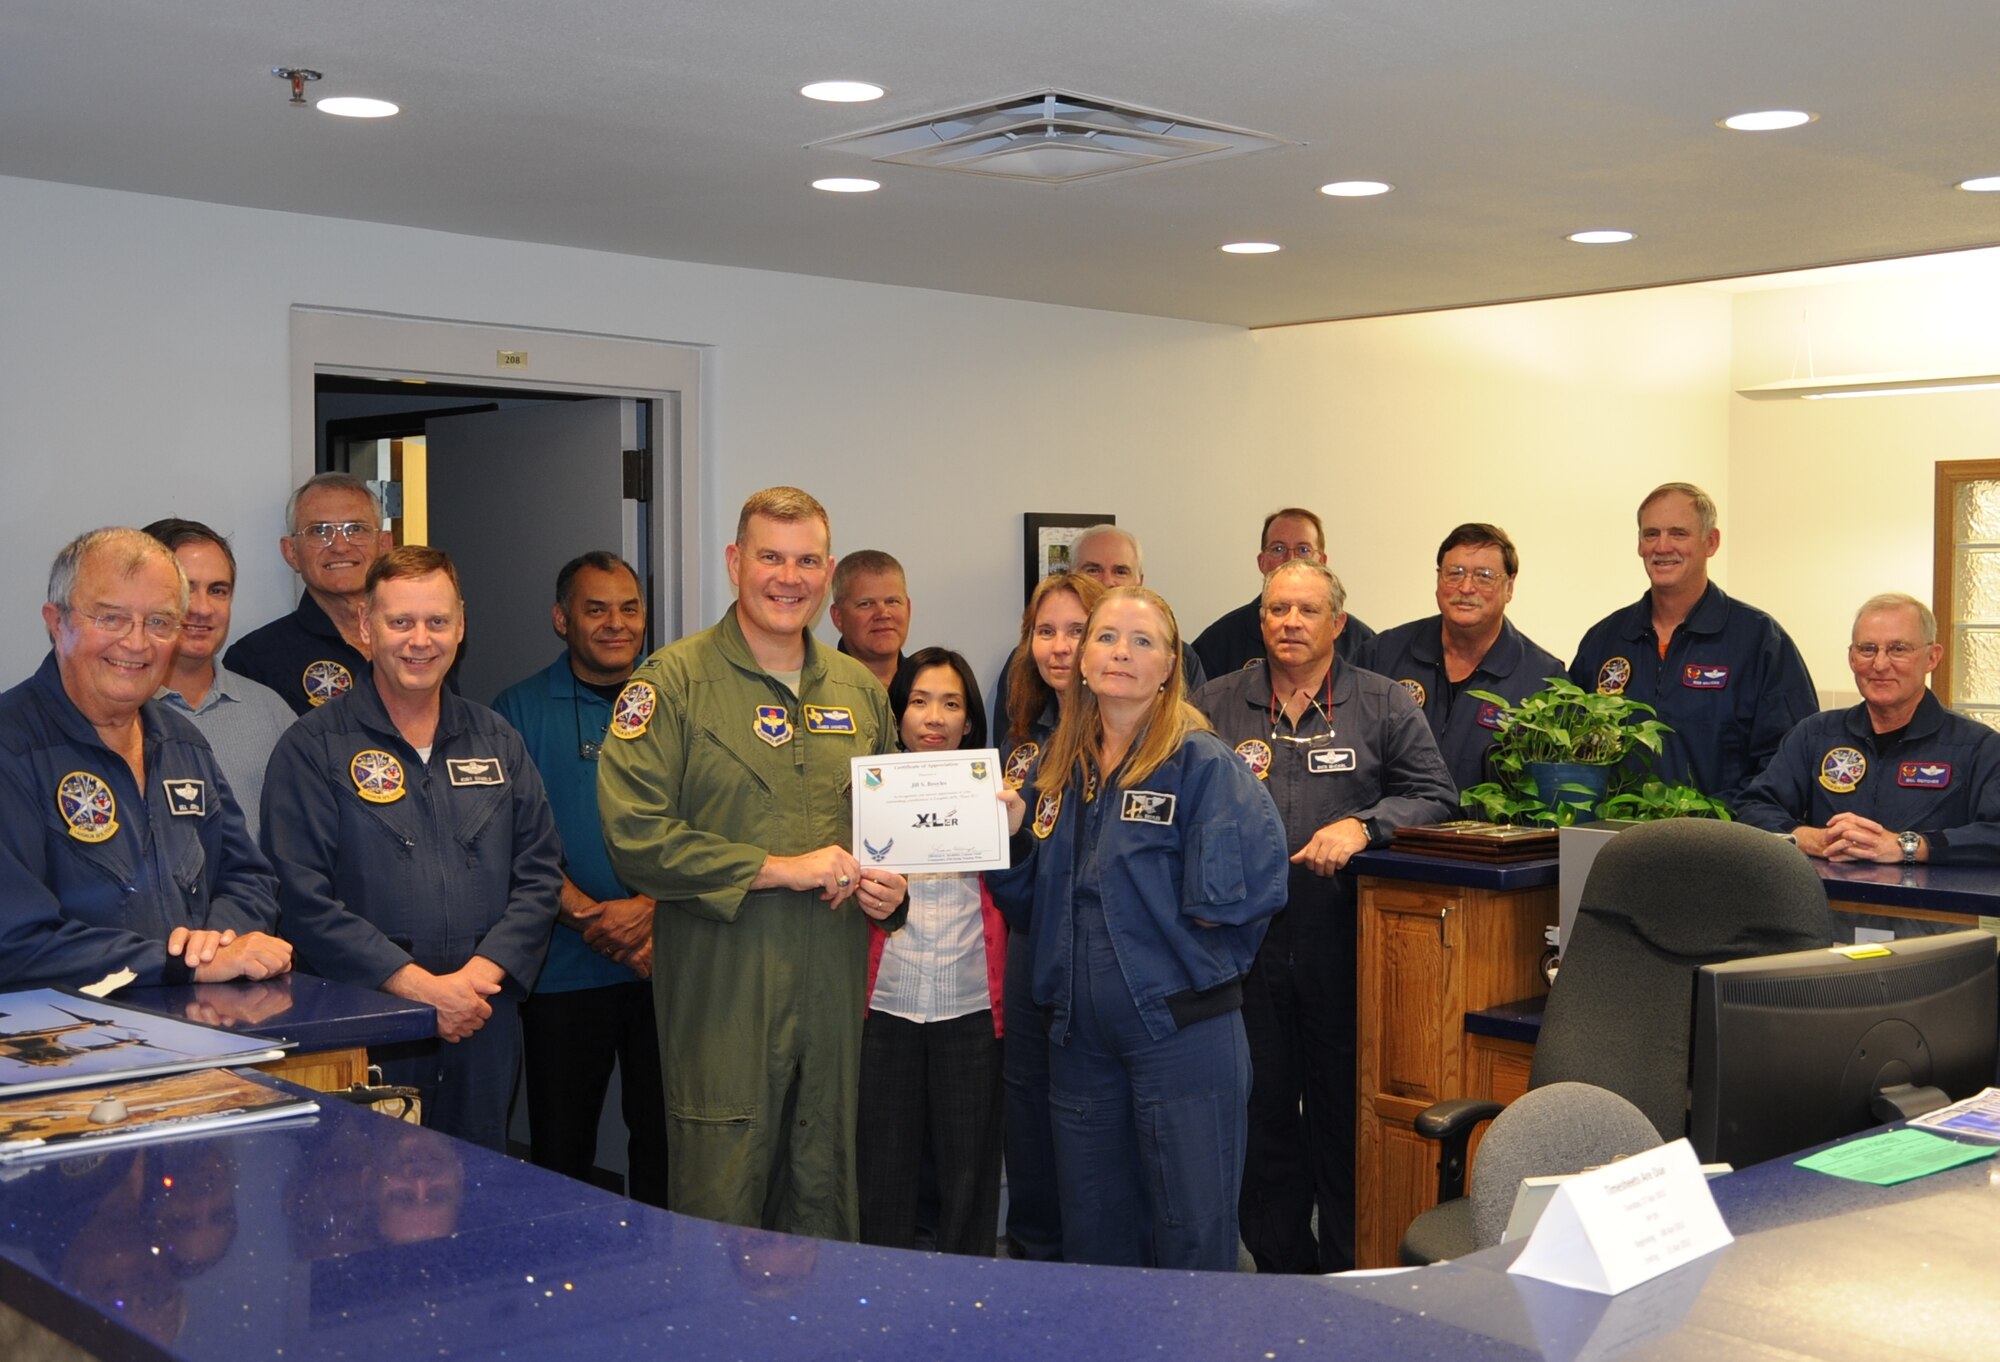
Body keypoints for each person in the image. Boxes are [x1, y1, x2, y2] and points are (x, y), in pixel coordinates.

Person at [597, 486, 909, 1239]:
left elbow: (891, 833)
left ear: (827, 571)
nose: (789, 578)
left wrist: (892, 890)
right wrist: (777, 868)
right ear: (736, 562)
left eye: (807, 561)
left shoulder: (861, 693)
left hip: (831, 991)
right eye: (771, 557)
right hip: (724, 994)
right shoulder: (671, 683)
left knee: (823, 1193)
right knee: (722, 1199)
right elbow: (634, 835)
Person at [987, 586, 1290, 1271]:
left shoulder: (1203, 763)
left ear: (1169, 665)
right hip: (1079, 1041)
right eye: (1105, 637)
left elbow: (1251, 891)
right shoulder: (1058, 766)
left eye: (1142, 641)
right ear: (1082, 659)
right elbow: (1030, 904)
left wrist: (1180, 964)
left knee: (1190, 1232)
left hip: (1180, 1036)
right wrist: (1011, 839)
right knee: (1095, 1232)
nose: (1120, 653)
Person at [1191, 559, 1457, 1273]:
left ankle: (1349, 1271)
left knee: (1345, 1118)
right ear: (1261, 621)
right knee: (1263, 1117)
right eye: (1278, 610)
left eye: (1307, 611)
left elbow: (1436, 794)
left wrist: (1365, 825)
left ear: (1338, 623)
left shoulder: (1381, 702)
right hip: (1245, 952)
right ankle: (1284, 1274)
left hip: (1345, 943)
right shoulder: (1214, 703)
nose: (1291, 623)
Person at [263, 546, 563, 1151]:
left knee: (479, 1179)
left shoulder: (496, 740)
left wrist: (478, 978)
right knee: (366, 1183)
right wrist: (419, 989)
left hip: (482, 1016)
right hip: (366, 1021)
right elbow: (300, 896)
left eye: (437, 621)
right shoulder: (314, 747)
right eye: (400, 621)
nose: (420, 640)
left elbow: (540, 872)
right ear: (365, 627)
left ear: (461, 626)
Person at [0, 528, 292, 990]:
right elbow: (14, 941)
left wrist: (216, 942)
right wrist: (177, 964)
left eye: (159, 622)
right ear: (57, 622)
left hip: (197, 1019)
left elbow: (247, 877)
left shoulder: (182, 743)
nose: (137, 643)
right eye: (111, 618)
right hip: (62, 1030)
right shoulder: (12, 749)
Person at [492, 551, 669, 1206]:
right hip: (563, 971)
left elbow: (713, 821)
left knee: (667, 1144)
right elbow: (509, 839)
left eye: (629, 608)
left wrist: (652, 908)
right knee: (561, 1150)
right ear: (561, 619)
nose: (616, 623)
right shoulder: (516, 710)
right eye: (596, 609)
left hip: (668, 964)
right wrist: (596, 920)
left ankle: (665, 1263)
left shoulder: (678, 699)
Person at [857, 647, 1008, 1255]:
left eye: (951, 703)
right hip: (884, 1005)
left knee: (969, 1178)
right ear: (898, 714)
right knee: (881, 1174)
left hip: (971, 1005)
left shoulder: (995, 795)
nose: (934, 717)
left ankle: (968, 1301)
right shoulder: (866, 792)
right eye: (919, 701)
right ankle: (878, 1298)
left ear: (970, 722)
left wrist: (1015, 834)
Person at [1568, 481, 1817, 807]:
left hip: (1723, 834)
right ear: (1639, 545)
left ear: (1710, 542)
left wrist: (1713, 818)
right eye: (1651, 534)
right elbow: (1569, 750)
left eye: (1679, 533)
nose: (1662, 546)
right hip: (1615, 833)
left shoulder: (1760, 641)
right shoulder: (1604, 640)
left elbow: (1788, 762)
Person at [992, 570, 1105, 1262]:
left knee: (1088, 1123)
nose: (1059, 647)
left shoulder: (1125, 739)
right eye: (1045, 631)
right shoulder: (1022, 746)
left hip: (1097, 962)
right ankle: (1034, 1260)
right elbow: (1017, 880)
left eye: (1076, 630)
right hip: (1032, 952)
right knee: (1028, 1114)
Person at [1735, 594, 2000, 863]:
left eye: (1898, 649)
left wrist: (1910, 846)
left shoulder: (1978, 748)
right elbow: (1753, 809)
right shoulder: (1814, 735)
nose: (1880, 664)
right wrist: (1810, 838)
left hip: (1930, 891)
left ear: (1932, 658)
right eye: (1868, 649)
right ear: (1852, 657)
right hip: (1825, 890)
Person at [1355, 523, 1564, 796]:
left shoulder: (1544, 680)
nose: (1466, 587)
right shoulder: (1381, 655)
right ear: (1438, 580)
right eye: (1454, 573)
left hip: (1491, 825)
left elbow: (1554, 792)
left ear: (1509, 587)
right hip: (1387, 823)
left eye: (1484, 576)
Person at [141, 519, 296, 842]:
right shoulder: (115, 713)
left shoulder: (271, 712)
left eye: (218, 590)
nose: (202, 608)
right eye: (184, 589)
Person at [989, 524, 1204, 736]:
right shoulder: (1026, 662)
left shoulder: (1180, 658)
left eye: (1120, 571)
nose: (1107, 581)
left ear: (1140, 581)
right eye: (1093, 570)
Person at [226, 472, 385, 715]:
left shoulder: (421, 643)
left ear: (384, 545)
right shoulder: (254, 661)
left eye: (355, 529)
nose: (340, 546)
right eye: (319, 531)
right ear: (291, 552)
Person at [1192, 509, 1375, 677]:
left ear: (1322, 561)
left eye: (1304, 550)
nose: (1291, 559)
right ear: (1262, 562)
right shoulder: (1218, 642)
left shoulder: (1361, 642)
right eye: (1278, 549)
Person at [829, 549, 912, 689]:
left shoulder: (929, 687)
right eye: (866, 604)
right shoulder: (817, 690)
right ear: (838, 617)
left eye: (892, 602)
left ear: (908, 609)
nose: (883, 614)